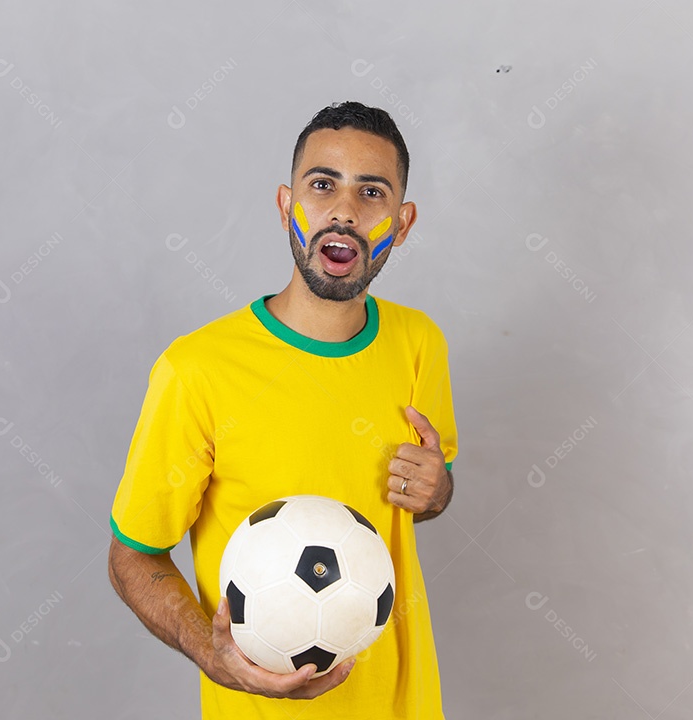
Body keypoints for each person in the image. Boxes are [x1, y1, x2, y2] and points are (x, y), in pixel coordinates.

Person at [107, 100, 458, 719]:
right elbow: (132, 553)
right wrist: (211, 655)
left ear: (401, 223)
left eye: (371, 192)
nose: (345, 211)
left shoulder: (418, 343)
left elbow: (414, 499)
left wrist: (436, 490)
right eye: (322, 185)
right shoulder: (197, 370)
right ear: (286, 204)